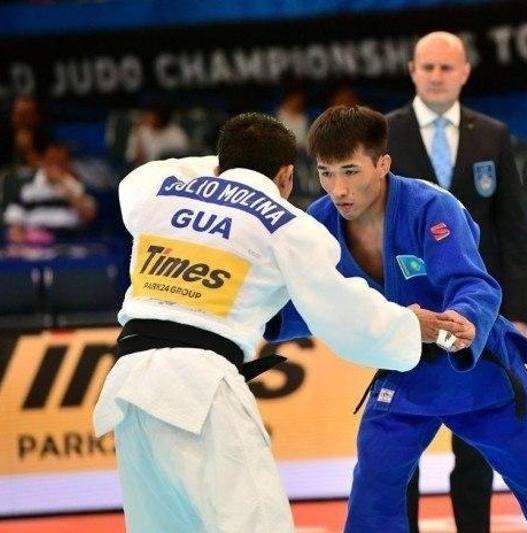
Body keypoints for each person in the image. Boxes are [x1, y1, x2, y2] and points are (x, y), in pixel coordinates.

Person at [92, 112, 456, 532]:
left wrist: (225, 170)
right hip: (201, 390)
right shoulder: (289, 226)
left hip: (129, 387)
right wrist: (410, 325)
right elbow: (343, 314)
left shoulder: (157, 189)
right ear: (286, 176)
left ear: (220, 164)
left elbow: (142, 178)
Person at [267, 106, 527, 533]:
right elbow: (315, 302)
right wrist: (260, 322)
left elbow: (472, 282)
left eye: (350, 171)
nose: (338, 188)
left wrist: (463, 320)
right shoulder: (320, 222)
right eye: (326, 173)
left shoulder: (431, 207)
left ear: (382, 163)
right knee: (374, 491)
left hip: (478, 369)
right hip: (404, 370)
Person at [385, 31, 527, 531]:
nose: (436, 76)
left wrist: (519, 313)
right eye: (427, 67)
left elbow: (512, 230)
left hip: (477, 310)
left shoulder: (492, 135)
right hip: (406, 309)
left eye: (446, 67)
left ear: (465, 72)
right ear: (412, 71)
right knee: (401, 441)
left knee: (476, 443)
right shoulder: (385, 133)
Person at [3, 140, 96, 244]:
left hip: (71, 241)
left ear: (68, 164)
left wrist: (66, 188)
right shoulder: (28, 189)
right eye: (51, 161)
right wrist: (18, 237)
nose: (55, 167)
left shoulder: (78, 186)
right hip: (35, 243)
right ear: (43, 162)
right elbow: (14, 221)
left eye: (61, 162)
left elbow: (88, 216)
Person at [125, 104, 191, 166]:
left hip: (170, 170)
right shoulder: (141, 131)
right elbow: (135, 159)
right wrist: (138, 135)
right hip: (146, 169)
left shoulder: (177, 132)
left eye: (152, 115)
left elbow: (183, 158)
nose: (148, 117)